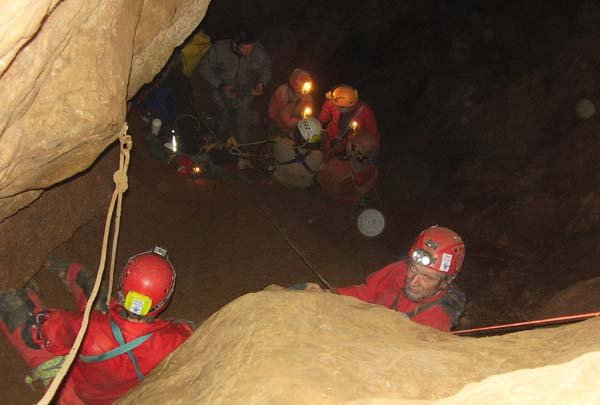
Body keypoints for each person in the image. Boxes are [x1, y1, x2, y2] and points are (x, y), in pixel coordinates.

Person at [0, 246, 194, 404]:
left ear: (122, 287)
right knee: (94, 293)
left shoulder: (87, 328)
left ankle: (45, 275)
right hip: (117, 394)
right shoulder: (175, 340)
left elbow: (47, 330)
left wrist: (54, 316)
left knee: (20, 316)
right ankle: (61, 267)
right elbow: (187, 328)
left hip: (73, 395)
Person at [301, 226, 466, 332]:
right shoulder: (400, 270)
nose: (413, 282)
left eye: (427, 278)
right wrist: (331, 294)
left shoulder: (436, 320)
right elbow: (367, 292)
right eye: (413, 269)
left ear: (446, 281)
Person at [198, 28, 272, 145]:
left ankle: (243, 149)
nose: (249, 52)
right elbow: (204, 68)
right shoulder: (219, 50)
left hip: (245, 96)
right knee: (222, 122)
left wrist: (261, 83)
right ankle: (219, 146)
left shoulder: (258, 53)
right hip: (221, 96)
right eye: (245, 48)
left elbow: (266, 68)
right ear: (234, 44)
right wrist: (220, 85)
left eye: (251, 48)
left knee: (242, 125)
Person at [317, 84, 380, 161]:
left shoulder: (365, 112)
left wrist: (367, 152)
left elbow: (372, 135)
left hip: (353, 146)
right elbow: (322, 119)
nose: (337, 108)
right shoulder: (332, 104)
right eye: (337, 106)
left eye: (342, 107)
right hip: (332, 140)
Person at [315, 129, 379, 204]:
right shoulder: (372, 171)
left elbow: (320, 178)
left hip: (332, 200)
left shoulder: (337, 166)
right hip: (353, 201)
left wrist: (325, 144)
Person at [271, 117, 324, 188]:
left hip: (281, 178)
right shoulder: (319, 156)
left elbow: (275, 154)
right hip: (303, 184)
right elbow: (320, 168)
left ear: (295, 131)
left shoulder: (281, 143)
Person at [268, 68, 314, 136]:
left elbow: (307, 112)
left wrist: (304, 117)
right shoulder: (283, 92)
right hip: (279, 125)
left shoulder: (307, 97)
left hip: (295, 127)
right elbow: (280, 115)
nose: (305, 90)